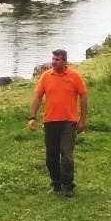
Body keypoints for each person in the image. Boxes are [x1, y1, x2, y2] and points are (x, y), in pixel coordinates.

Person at [28, 49, 88, 198]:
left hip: (69, 122)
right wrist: (33, 117)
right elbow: (37, 97)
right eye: (53, 59)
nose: (53, 62)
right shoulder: (46, 76)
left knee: (66, 154)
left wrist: (82, 119)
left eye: (57, 59)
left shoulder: (74, 77)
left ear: (65, 61)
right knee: (51, 156)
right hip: (50, 122)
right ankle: (56, 184)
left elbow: (83, 96)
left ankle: (68, 186)